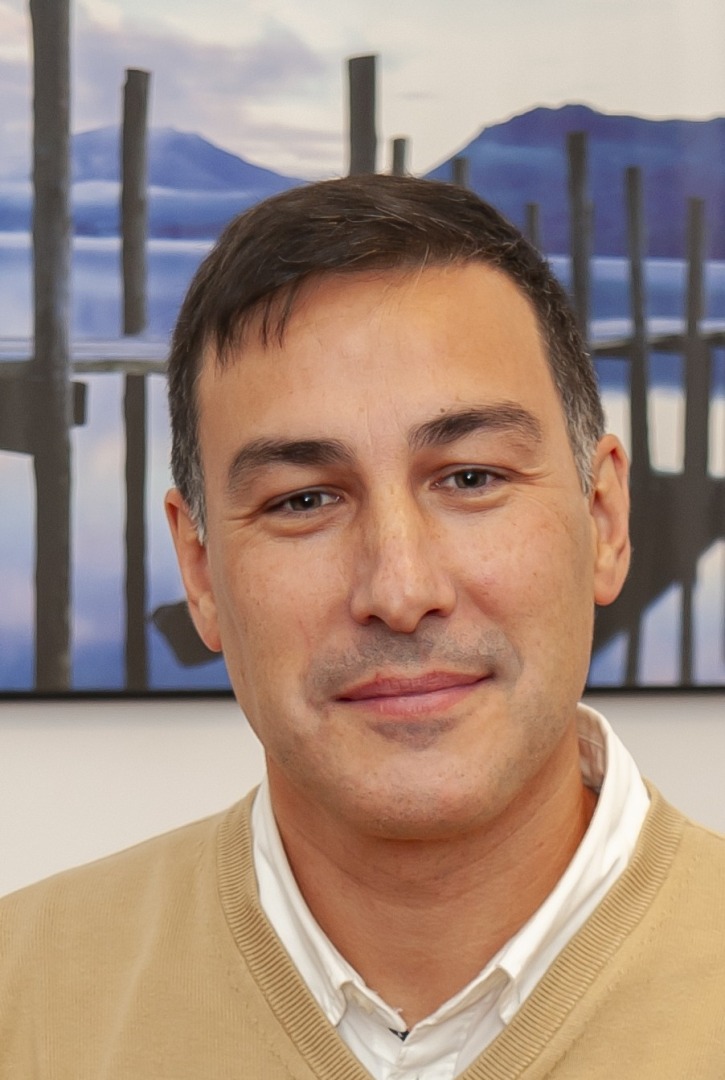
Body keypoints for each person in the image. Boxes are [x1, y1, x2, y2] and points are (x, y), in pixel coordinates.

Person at [1, 175, 724, 1079]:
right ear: (201, 573)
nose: (400, 589)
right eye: (304, 500)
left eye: (470, 479)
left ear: (604, 519)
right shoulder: (21, 1000)